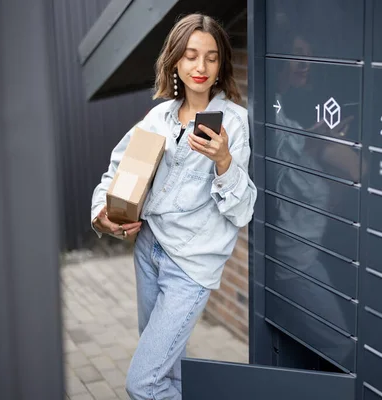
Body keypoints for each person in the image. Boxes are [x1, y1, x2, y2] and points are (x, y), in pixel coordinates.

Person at [89, 13, 257, 400]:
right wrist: (102, 216)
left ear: (221, 65)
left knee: (143, 382)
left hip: (190, 268)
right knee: (168, 373)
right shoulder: (158, 118)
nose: (201, 66)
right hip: (148, 252)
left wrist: (224, 162)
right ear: (176, 61)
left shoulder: (234, 124)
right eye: (191, 55)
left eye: (211, 57)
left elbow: (243, 211)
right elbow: (116, 173)